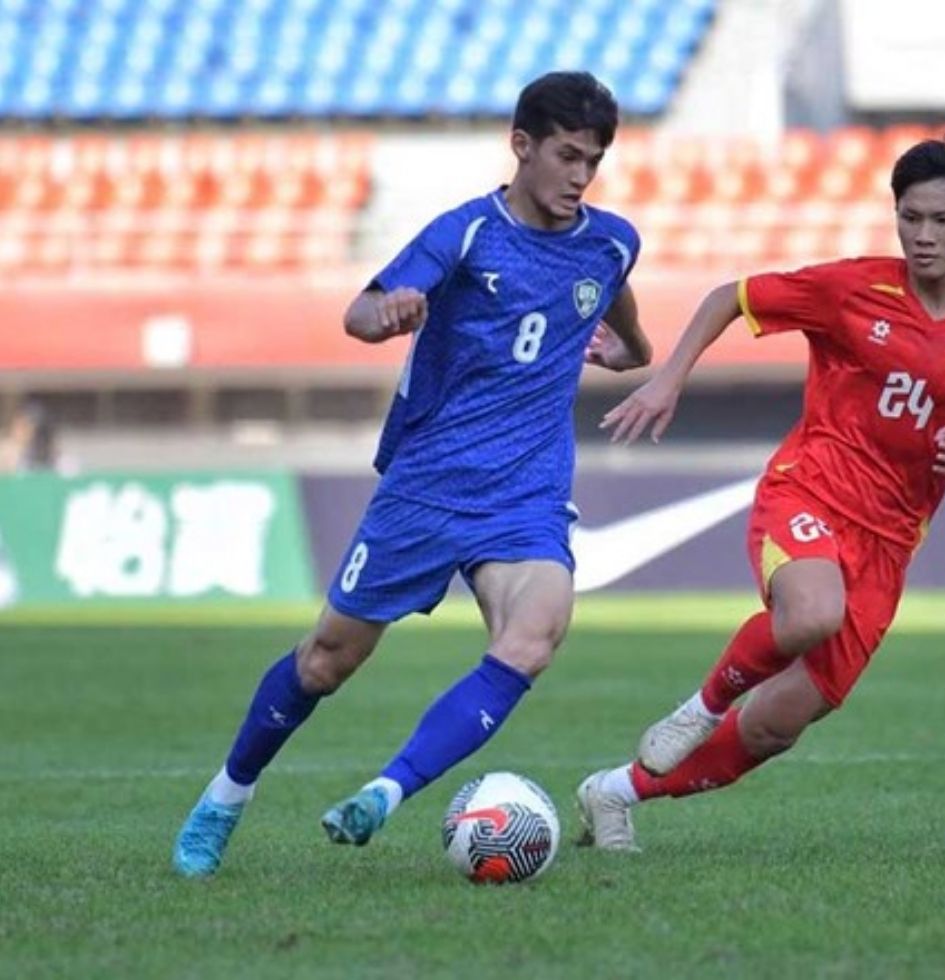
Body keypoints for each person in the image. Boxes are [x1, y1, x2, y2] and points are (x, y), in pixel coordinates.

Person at [173, 71, 653, 877]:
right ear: (521, 146)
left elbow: (630, 332)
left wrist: (625, 354)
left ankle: (385, 795)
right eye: (567, 156)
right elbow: (362, 311)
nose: (580, 176)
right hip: (427, 487)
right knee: (327, 659)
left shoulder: (611, 243)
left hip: (527, 494)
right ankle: (226, 794)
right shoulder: (465, 234)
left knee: (532, 638)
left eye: (594, 161)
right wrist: (388, 313)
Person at [576, 136, 945, 851]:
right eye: (909, 217)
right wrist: (667, 377)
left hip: (889, 543)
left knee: (772, 727)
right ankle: (699, 706)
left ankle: (615, 793)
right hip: (811, 489)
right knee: (812, 614)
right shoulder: (852, 289)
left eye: (942, 220)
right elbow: (731, 296)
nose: (922, 236)